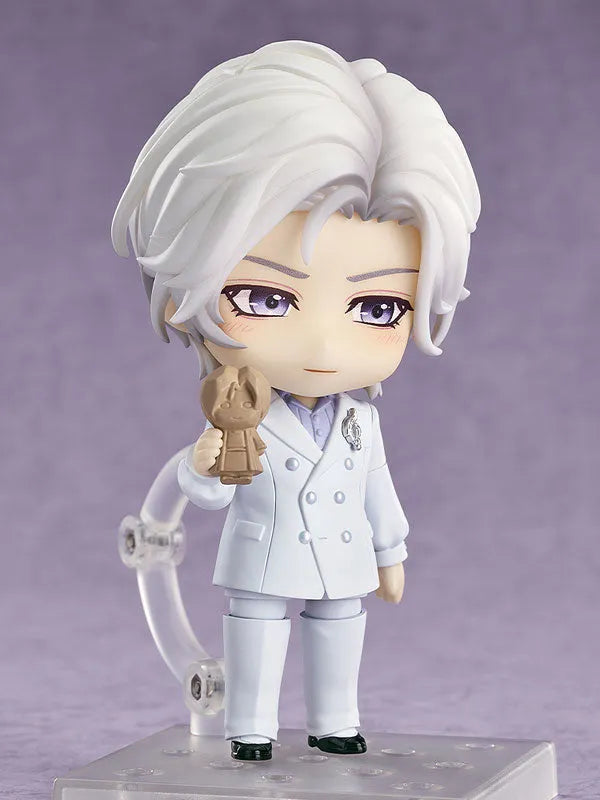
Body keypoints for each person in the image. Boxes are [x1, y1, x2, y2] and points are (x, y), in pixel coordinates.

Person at [112, 39, 480, 761]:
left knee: (340, 627)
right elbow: (205, 492)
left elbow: (377, 489)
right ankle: (249, 728)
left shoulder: (359, 421)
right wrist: (206, 463)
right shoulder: (237, 413)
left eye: (377, 308)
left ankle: (335, 721)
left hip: (342, 557)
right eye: (265, 297)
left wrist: (391, 552)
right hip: (262, 555)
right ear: (190, 286)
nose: (322, 345)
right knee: (255, 629)